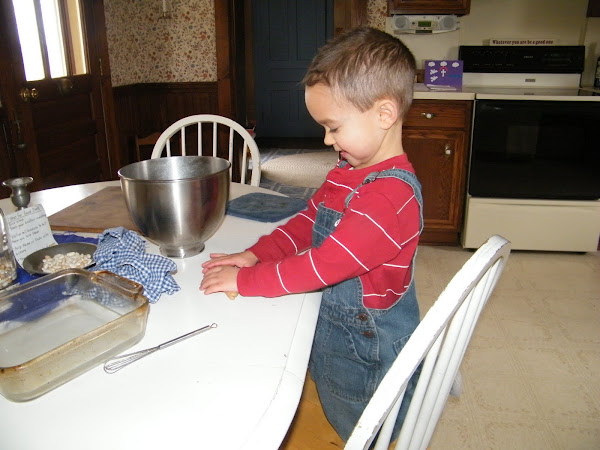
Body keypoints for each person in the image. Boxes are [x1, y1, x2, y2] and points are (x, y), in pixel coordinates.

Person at [201, 26, 423, 442]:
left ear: (384, 114)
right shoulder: (348, 172)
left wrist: (246, 282)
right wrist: (255, 255)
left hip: (364, 355)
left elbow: (321, 267)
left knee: (354, 430)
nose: (326, 139)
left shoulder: (388, 198)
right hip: (338, 334)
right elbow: (308, 222)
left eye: (334, 127)